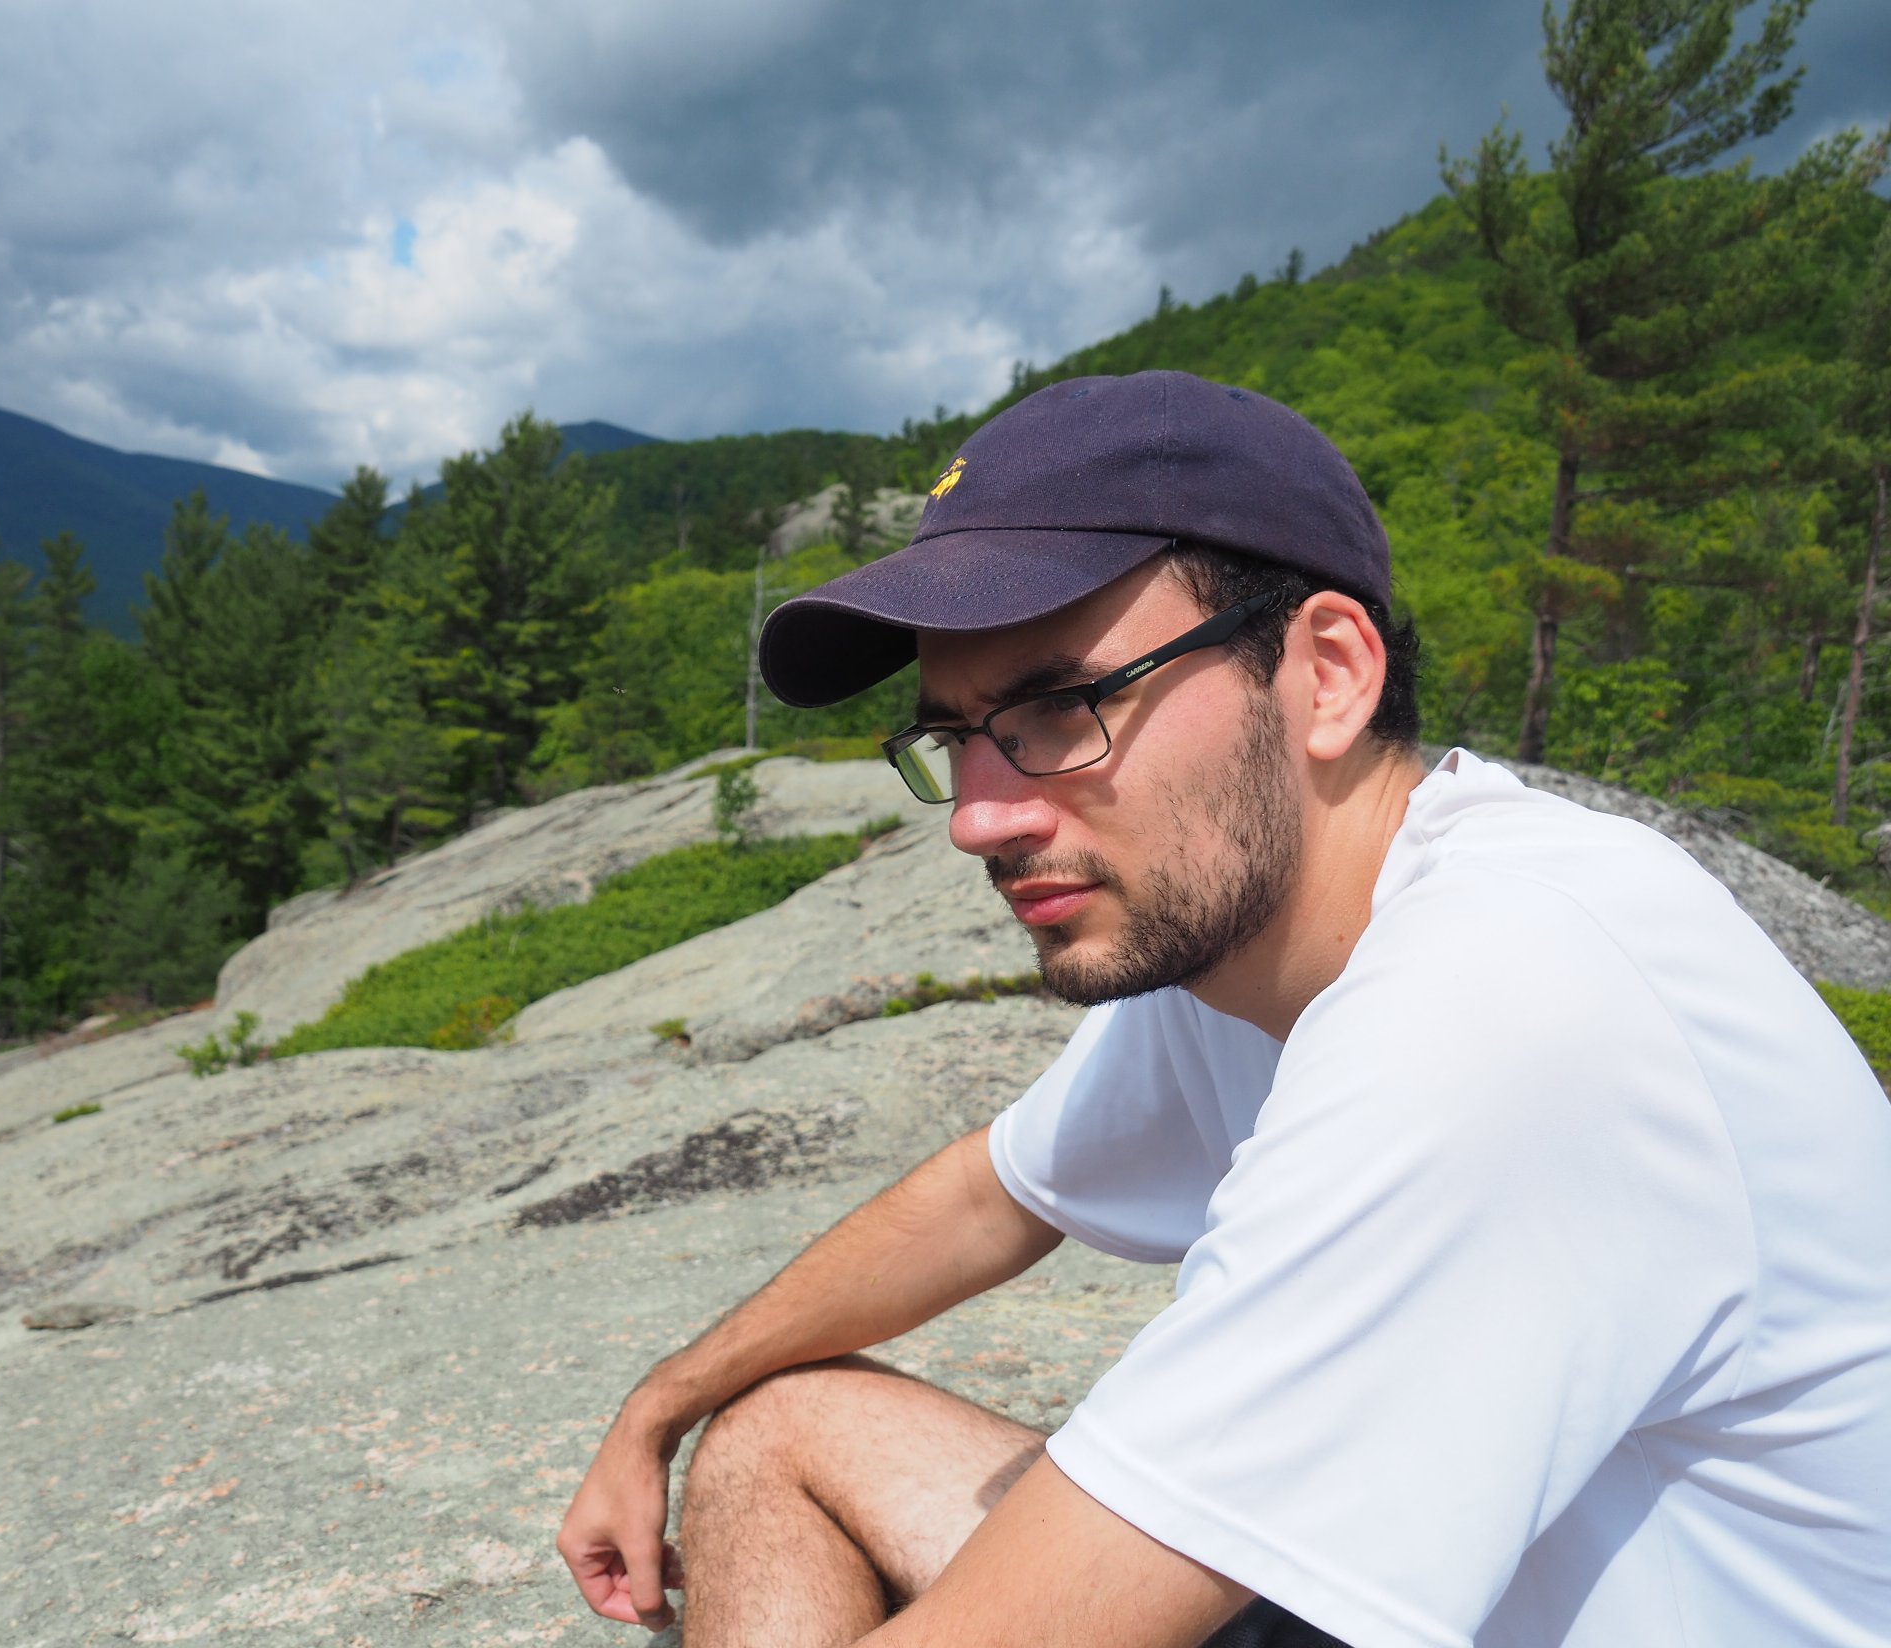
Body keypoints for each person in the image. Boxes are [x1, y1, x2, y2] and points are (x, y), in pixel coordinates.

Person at [555, 371, 1891, 1648]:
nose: (978, 818)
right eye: (957, 736)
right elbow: (996, 1194)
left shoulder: (1502, 1005)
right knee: (777, 1429)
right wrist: (665, 1399)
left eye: (1060, 706)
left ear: (1327, 674)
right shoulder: (1250, 935)